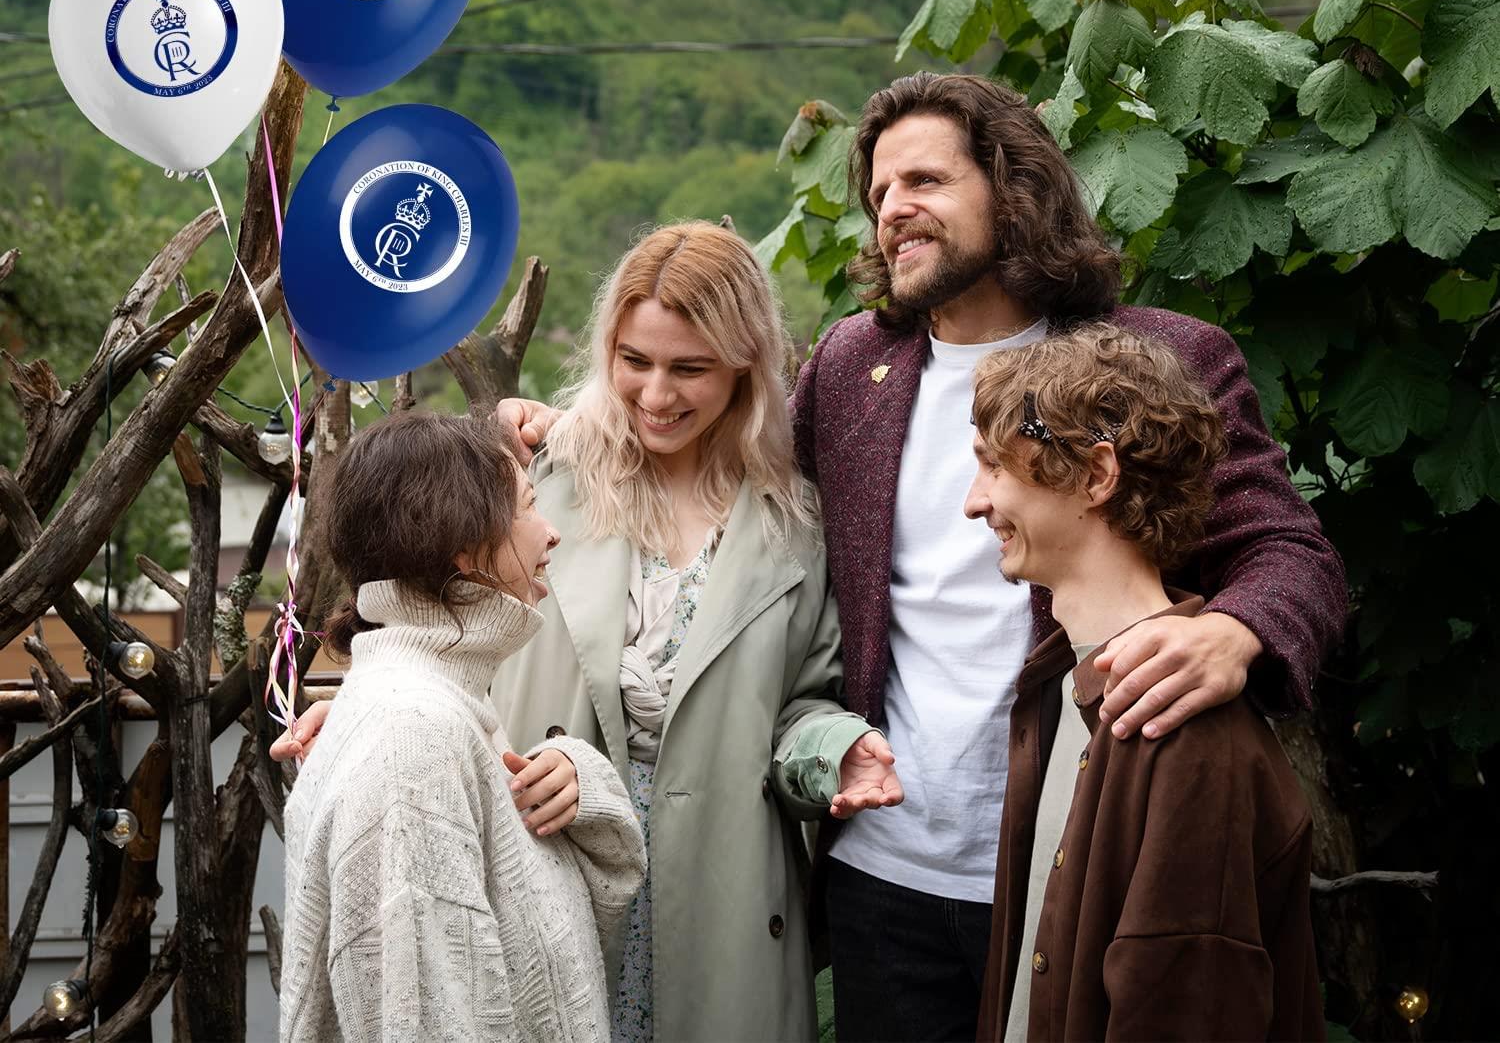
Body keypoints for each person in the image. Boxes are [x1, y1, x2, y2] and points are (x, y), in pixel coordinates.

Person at [500, 72, 1346, 1042]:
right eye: (879, 193)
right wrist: (568, 433)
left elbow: (1291, 551)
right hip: (884, 872)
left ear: (1014, 186)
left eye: (925, 181)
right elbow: (718, 465)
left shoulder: (1157, 359)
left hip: (1072, 856)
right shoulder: (850, 368)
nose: (893, 207)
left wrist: (1239, 632)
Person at [278, 223, 904, 1043]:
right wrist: (372, 712)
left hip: (725, 896)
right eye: (634, 360)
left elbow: (798, 705)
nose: (656, 394)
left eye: (690, 369)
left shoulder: (794, 520)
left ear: (745, 364)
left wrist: (832, 752)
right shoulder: (537, 471)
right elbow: (442, 624)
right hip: (544, 857)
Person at [965, 325, 1323, 1041]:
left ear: (1097, 476)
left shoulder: (1188, 737)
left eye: (994, 467)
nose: (974, 503)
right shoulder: (1054, 684)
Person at [277, 412, 646, 1043]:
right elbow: (420, 1018)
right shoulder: (413, 736)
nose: (552, 532)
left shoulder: (440, 700)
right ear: (465, 549)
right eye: (530, 506)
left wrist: (582, 781)